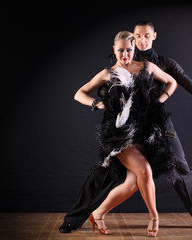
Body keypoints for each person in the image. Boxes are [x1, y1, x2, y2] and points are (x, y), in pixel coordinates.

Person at [59, 21, 192, 234]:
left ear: (154, 36)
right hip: (125, 130)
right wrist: (99, 103)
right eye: (138, 36)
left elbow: (189, 84)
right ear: (130, 39)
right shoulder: (117, 65)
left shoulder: (162, 64)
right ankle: (75, 219)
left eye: (146, 36)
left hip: (157, 128)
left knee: (180, 168)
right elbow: (88, 91)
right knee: (105, 173)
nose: (142, 40)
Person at [73, 31, 178, 236]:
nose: (125, 54)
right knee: (145, 171)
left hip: (145, 132)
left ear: (134, 49)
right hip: (119, 134)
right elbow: (79, 93)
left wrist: (160, 101)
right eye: (120, 50)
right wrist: (96, 102)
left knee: (132, 183)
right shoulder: (108, 73)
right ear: (114, 50)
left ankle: (98, 213)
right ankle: (155, 218)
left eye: (129, 50)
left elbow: (171, 82)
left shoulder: (146, 68)